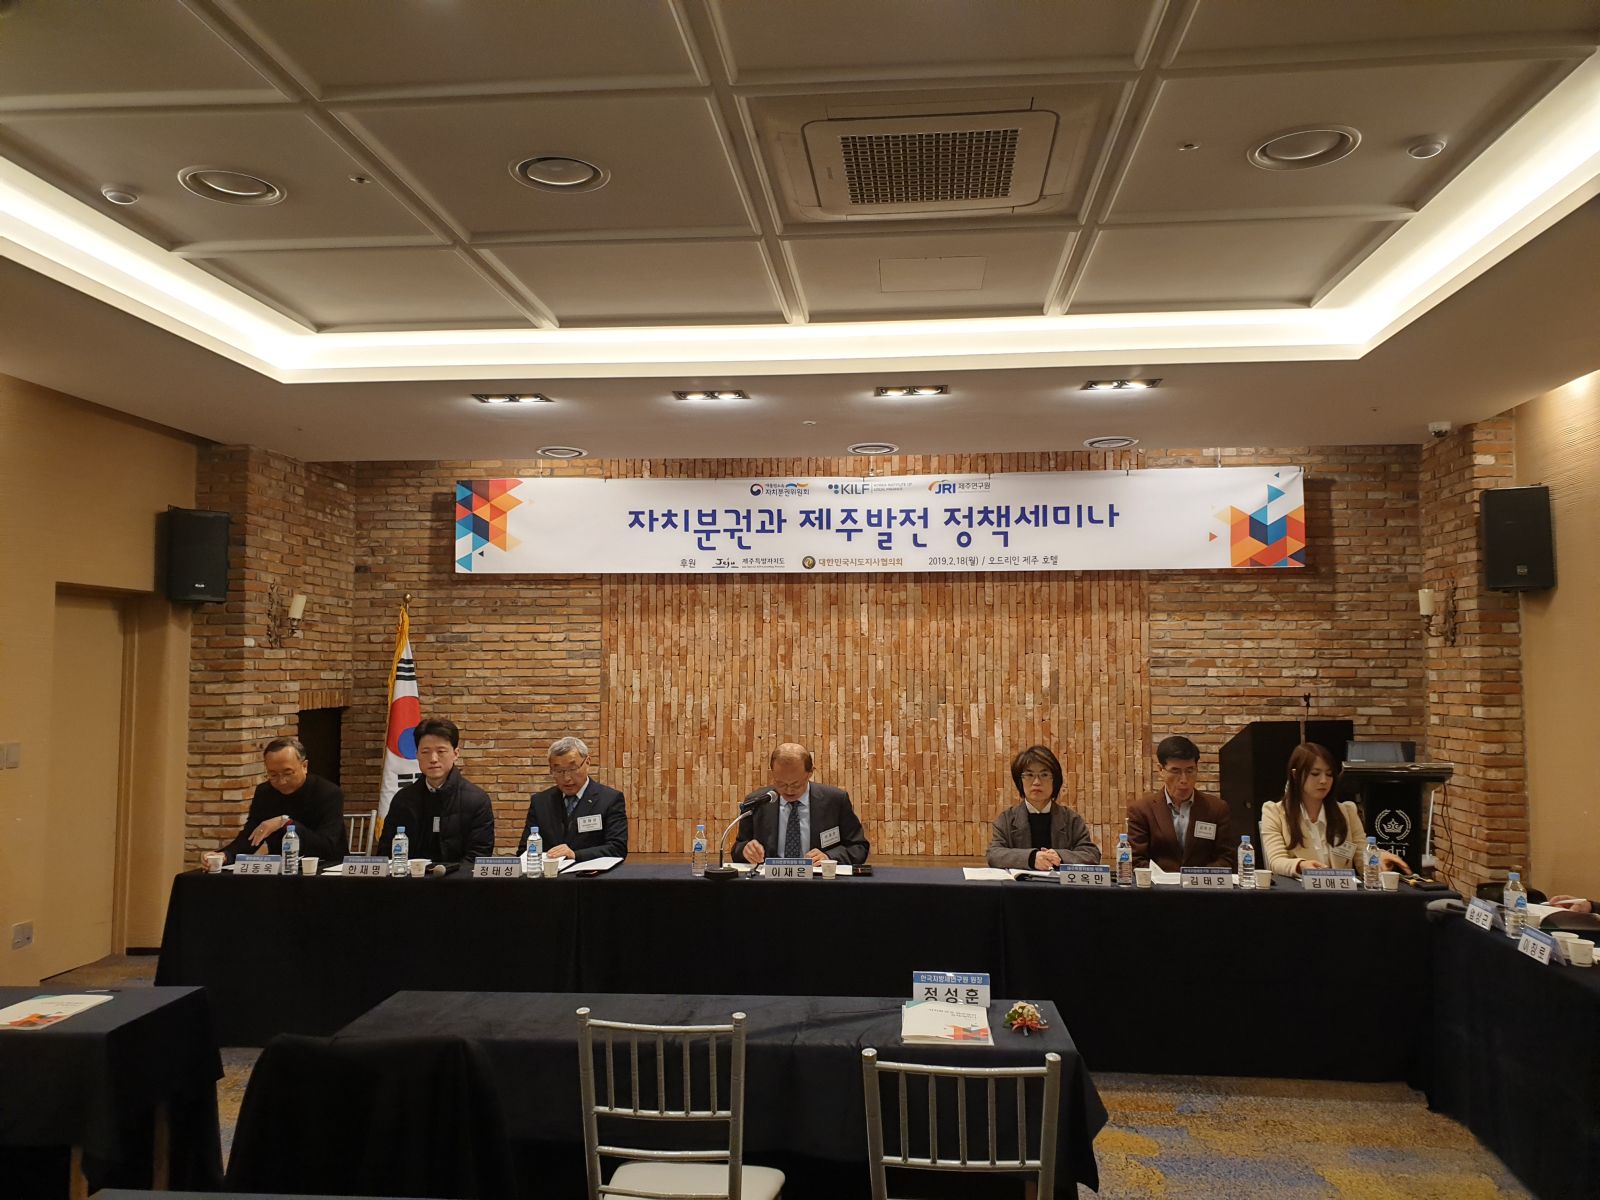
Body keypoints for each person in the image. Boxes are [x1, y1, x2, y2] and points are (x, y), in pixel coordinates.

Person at [1260, 742, 1409, 878]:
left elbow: (1361, 856)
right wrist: (1301, 865)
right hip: (1298, 894)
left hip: (1341, 895)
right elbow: (1276, 861)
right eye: (1315, 774)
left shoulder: (1347, 812)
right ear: (1295, 775)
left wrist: (1376, 858)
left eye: (1329, 774)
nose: (1324, 780)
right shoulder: (1274, 812)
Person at [375, 718, 495, 863]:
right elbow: (386, 851)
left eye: (441, 751)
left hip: (459, 877)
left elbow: (478, 857)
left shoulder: (477, 801)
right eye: (425, 752)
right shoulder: (403, 799)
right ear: (417, 755)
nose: (433, 759)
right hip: (410, 876)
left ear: (456, 754)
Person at [733, 742, 869, 866]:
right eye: (781, 784)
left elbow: (858, 847)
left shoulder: (835, 800)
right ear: (772, 773)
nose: (788, 790)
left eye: (796, 784)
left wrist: (828, 857)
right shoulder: (758, 802)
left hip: (819, 880)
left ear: (810, 773)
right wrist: (745, 850)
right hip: (769, 880)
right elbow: (738, 848)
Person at [221, 736, 347, 864]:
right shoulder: (265, 792)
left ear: (304, 766)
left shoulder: (328, 793)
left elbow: (327, 845)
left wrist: (286, 823)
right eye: (273, 775)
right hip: (282, 867)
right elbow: (253, 834)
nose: (281, 781)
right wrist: (226, 855)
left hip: (327, 866)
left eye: (288, 773)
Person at [1126, 735, 1237, 871]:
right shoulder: (1141, 810)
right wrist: (1167, 879)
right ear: (1160, 770)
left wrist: (1195, 876)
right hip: (1158, 883)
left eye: (1190, 770)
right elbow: (1136, 860)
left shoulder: (1217, 808)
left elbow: (1226, 858)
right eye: (1175, 771)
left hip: (1203, 883)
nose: (1184, 779)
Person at [986, 745, 1099, 870]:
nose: (1036, 782)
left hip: (1060, 883)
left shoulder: (1071, 819)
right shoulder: (1006, 819)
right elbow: (994, 854)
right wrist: (1031, 858)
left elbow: (1091, 854)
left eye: (1044, 775)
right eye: (1029, 775)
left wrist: (1059, 856)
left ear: (1054, 780)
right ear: (1020, 781)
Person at [518, 736, 628, 863]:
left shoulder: (610, 799)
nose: (566, 778)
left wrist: (575, 855)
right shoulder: (540, 802)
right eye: (558, 770)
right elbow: (524, 850)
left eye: (573, 769)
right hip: (550, 873)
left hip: (591, 873)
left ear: (588, 762)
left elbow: (617, 848)